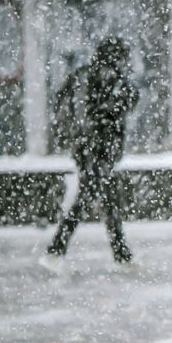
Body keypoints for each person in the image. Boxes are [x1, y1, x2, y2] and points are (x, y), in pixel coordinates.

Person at [40, 37, 137, 272]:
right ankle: (56, 250)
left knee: (105, 197)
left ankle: (121, 254)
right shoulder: (111, 77)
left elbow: (62, 104)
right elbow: (121, 105)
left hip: (83, 147)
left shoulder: (82, 74)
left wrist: (74, 135)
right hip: (101, 148)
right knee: (92, 196)